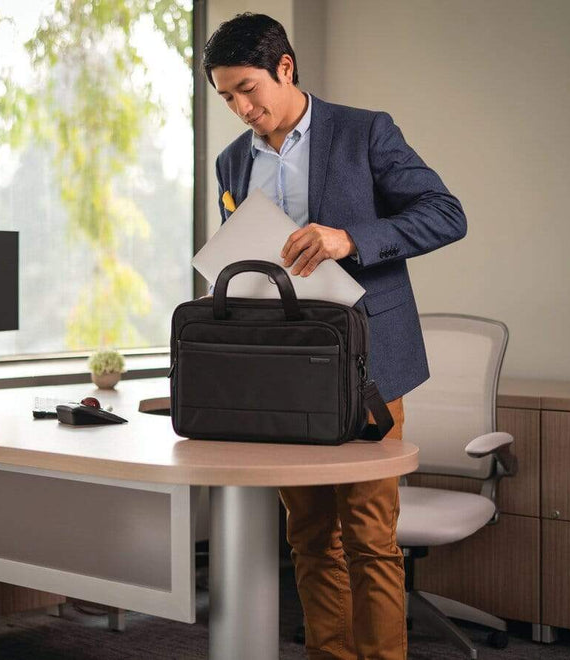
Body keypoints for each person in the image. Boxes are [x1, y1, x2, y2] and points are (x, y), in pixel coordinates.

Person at [203, 13, 467, 660]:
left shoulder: (364, 131)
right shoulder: (232, 162)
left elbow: (445, 214)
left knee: (370, 537)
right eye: (226, 98)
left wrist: (350, 239)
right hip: (286, 373)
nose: (241, 109)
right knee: (310, 537)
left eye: (246, 90)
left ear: (285, 67)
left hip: (369, 364)